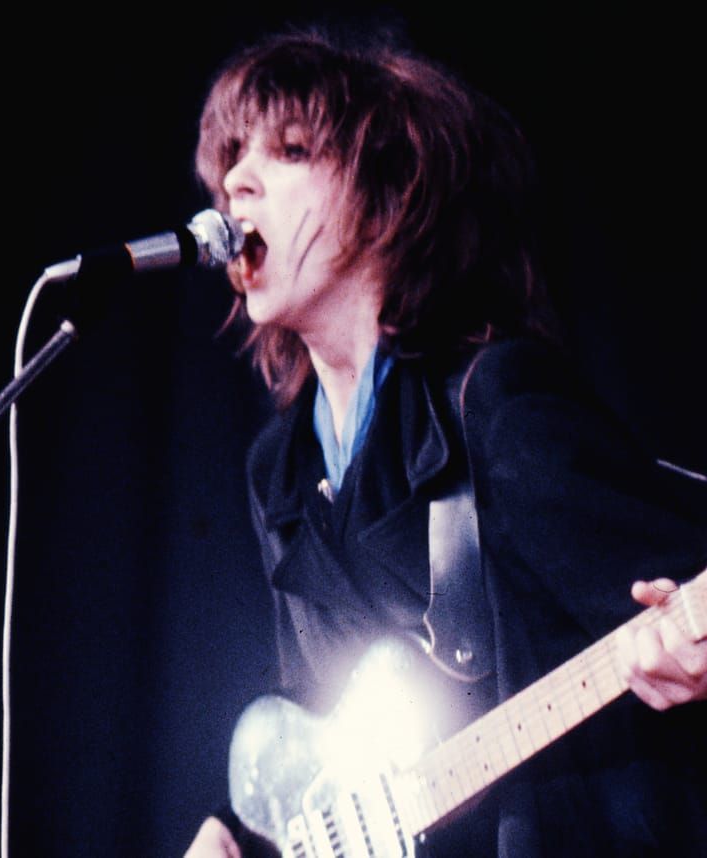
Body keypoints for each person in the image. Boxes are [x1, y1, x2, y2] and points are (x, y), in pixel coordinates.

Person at [176, 28, 707, 857]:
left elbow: (678, 591)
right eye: (231, 158)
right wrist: (236, 825)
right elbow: (324, 710)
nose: (237, 183)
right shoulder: (280, 471)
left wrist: (688, 650)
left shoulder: (493, 403)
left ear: (386, 194)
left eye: (286, 151)